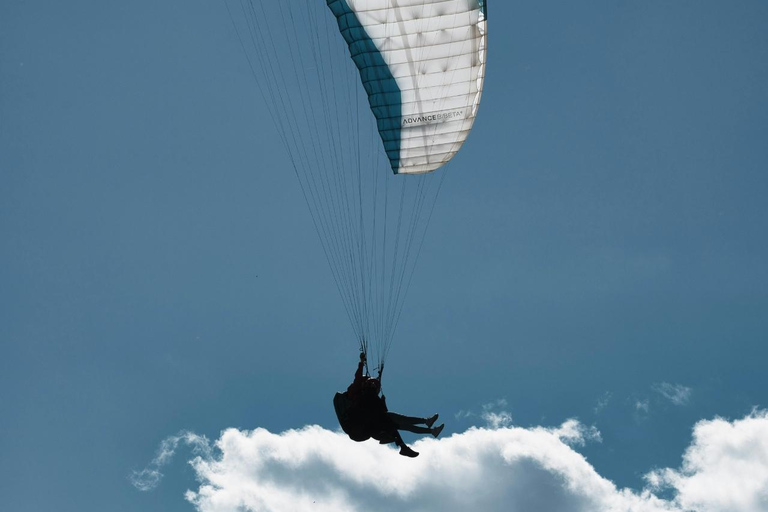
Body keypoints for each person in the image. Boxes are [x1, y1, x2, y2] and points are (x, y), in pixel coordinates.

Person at [334, 352, 444, 458]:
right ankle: (424, 424)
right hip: (358, 427)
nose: (373, 387)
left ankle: (430, 430)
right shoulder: (356, 392)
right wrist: (361, 362)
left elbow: (382, 412)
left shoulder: (372, 399)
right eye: (372, 385)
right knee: (391, 420)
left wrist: (382, 402)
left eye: (375, 387)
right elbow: (357, 378)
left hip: (369, 426)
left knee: (400, 424)